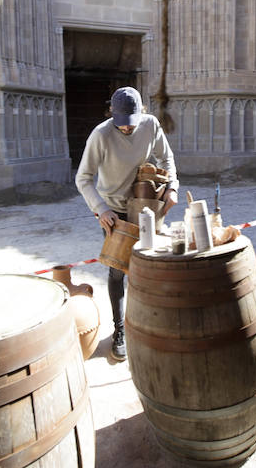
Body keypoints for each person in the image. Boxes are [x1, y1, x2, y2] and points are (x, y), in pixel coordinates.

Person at [75, 86, 179, 361]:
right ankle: (120, 330)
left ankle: (148, 325)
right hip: (114, 212)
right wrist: (101, 210)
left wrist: (172, 187)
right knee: (118, 271)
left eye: (130, 124)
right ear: (112, 114)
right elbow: (83, 178)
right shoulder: (101, 135)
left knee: (148, 266)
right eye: (121, 124)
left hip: (144, 203)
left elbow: (167, 158)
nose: (126, 129)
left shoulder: (150, 124)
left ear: (141, 113)